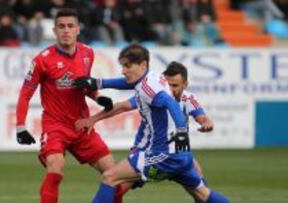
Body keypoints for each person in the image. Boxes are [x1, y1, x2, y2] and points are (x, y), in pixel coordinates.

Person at [73, 44, 230, 203]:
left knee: (110, 177)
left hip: (161, 155)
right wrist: (98, 83)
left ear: (143, 65)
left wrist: (182, 130)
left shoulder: (150, 88)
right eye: (123, 66)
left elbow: (170, 102)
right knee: (202, 193)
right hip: (180, 154)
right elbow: (127, 86)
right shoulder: (152, 78)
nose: (123, 70)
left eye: (128, 66)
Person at [15, 8, 125, 203]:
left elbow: (84, 86)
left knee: (114, 175)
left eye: (70, 26)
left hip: (82, 124)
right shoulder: (42, 60)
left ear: (78, 29)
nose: (66, 30)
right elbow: (25, 94)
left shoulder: (87, 53)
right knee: (55, 167)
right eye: (61, 26)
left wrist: (98, 98)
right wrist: (20, 126)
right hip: (55, 126)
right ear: (54, 30)